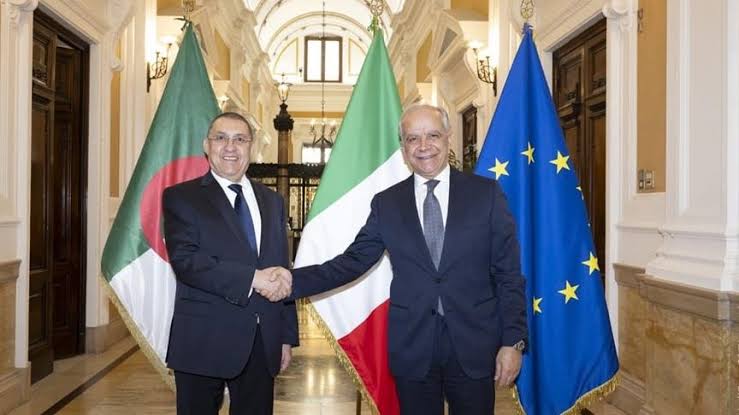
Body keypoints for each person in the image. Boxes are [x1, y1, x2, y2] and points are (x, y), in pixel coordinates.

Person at [275, 104, 527, 414]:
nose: (423, 146)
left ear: (448, 137)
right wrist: (291, 280)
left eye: (433, 135)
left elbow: (508, 275)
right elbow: (352, 262)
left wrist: (513, 342)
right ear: (403, 148)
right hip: (413, 347)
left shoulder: (486, 194)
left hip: (474, 343)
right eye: (412, 138)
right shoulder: (387, 203)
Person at [162, 112, 297, 415]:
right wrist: (252, 278)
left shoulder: (272, 201)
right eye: (221, 138)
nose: (230, 147)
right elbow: (186, 261)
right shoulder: (181, 197)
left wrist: (286, 336)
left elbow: (281, 269)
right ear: (206, 145)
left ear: (251, 147)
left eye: (240, 139)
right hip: (202, 338)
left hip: (261, 341)